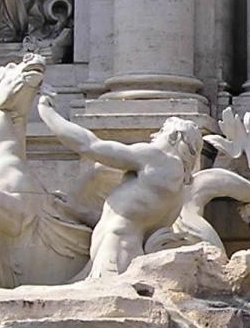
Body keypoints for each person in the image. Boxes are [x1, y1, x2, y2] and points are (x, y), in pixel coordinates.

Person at [36, 95, 204, 278]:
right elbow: (126, 218)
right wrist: (79, 213)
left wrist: (47, 113)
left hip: (116, 256)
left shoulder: (158, 158)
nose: (153, 136)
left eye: (161, 131)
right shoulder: (176, 191)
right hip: (119, 253)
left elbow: (90, 146)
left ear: (174, 136)